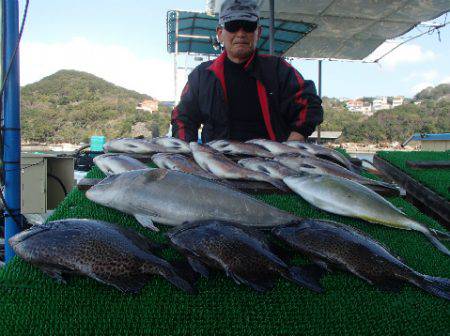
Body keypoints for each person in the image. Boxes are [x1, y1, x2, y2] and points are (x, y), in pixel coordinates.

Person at [171, 0, 323, 143]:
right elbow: (183, 117)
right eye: (233, 25)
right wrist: (188, 152)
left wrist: (293, 145)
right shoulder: (201, 75)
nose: (241, 33)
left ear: (258, 32)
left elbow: (309, 103)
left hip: (272, 164)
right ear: (220, 33)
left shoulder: (278, 69)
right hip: (218, 162)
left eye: (248, 26)